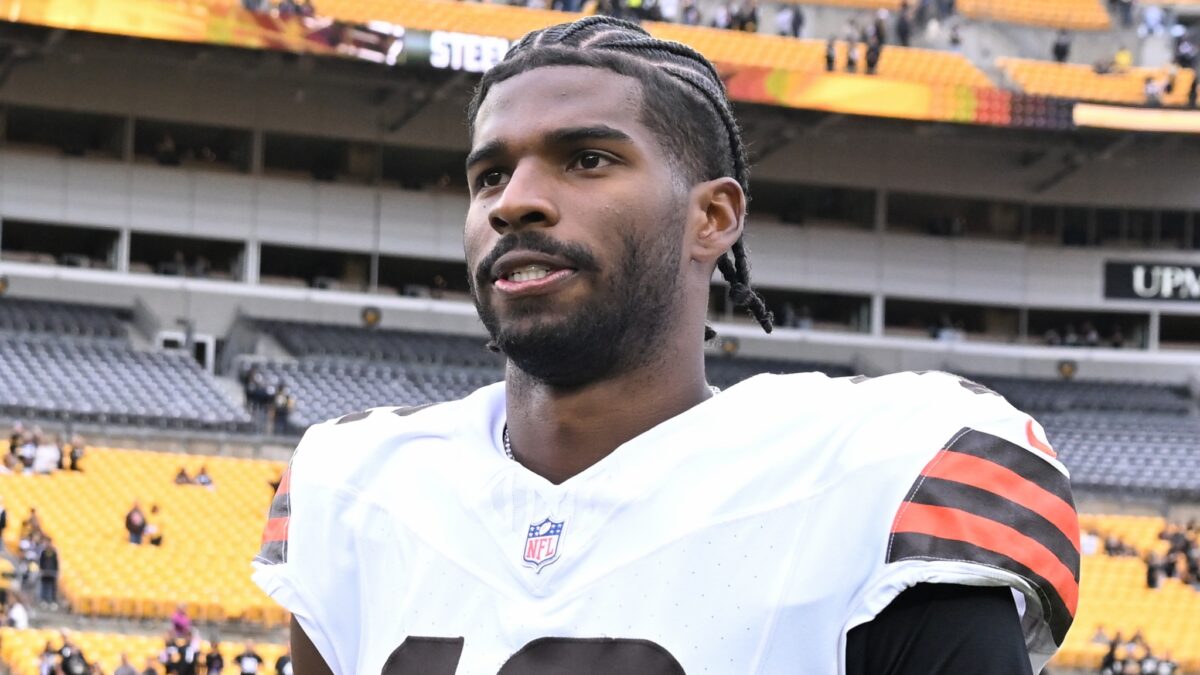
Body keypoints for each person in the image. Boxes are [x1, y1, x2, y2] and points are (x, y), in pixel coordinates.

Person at [255, 16, 1078, 675]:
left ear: (712, 218)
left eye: (586, 159)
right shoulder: (355, 487)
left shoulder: (884, 477)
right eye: (489, 176)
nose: (516, 203)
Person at [37, 538, 58, 607]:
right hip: (44, 572)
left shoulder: (54, 552)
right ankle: (44, 600)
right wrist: (41, 570)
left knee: (52, 587)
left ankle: (52, 601)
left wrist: (56, 571)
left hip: (52, 572)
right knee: (44, 586)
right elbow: (41, 562)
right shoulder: (43, 552)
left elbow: (56, 562)